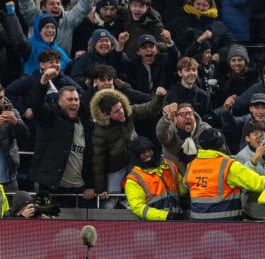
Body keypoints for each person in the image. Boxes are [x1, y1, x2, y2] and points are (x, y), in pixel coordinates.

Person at [89, 86, 166, 208]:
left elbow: (149, 109)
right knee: (110, 201)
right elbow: (98, 160)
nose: (122, 112)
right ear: (106, 115)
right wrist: (101, 188)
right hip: (115, 168)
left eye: (121, 107)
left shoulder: (129, 111)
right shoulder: (99, 131)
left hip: (135, 163)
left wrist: (159, 97)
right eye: (116, 111)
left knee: (143, 194)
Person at [29, 72, 95, 208]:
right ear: (59, 102)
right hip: (51, 186)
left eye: (76, 99)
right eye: (69, 100)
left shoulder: (85, 122)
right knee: (45, 224)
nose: (74, 103)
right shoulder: (50, 117)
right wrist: (43, 82)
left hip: (79, 188)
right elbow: (36, 105)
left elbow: (89, 157)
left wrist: (90, 185)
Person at [183, 128, 265, 220]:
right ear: (222, 145)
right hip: (225, 226)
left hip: (198, 225)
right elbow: (259, 184)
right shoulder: (229, 166)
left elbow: (183, 188)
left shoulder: (191, 165)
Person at [124, 136, 186, 221]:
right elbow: (138, 207)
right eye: (142, 152)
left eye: (149, 150)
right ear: (136, 156)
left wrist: (188, 182)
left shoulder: (169, 165)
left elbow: (180, 190)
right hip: (154, 225)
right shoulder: (134, 178)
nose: (147, 154)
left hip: (177, 220)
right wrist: (165, 216)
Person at [234, 120, 265, 220]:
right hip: (253, 213)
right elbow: (243, 184)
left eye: (262, 133)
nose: (260, 136)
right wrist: (254, 160)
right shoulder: (241, 157)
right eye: (255, 133)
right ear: (247, 138)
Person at [0, 85, 29, 192]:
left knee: (12, 208)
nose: (0, 101)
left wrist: (16, 123)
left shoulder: (12, 112)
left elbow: (25, 138)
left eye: (1, 97)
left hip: (8, 177)